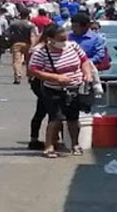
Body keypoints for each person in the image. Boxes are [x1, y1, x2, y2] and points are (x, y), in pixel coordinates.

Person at [28, 24, 93, 158]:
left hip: (74, 88)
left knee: (73, 118)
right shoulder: (41, 52)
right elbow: (33, 70)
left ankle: (75, 144)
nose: (64, 42)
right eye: (60, 39)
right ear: (50, 39)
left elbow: (84, 61)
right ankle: (49, 146)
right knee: (56, 118)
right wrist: (56, 77)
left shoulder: (74, 46)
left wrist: (87, 74)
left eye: (65, 38)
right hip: (53, 89)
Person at [8, 9, 37, 84]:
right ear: (28, 15)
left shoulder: (14, 24)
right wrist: (33, 46)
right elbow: (32, 36)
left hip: (16, 43)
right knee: (29, 61)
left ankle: (17, 76)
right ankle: (30, 76)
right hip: (27, 44)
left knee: (16, 61)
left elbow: (8, 33)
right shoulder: (30, 25)